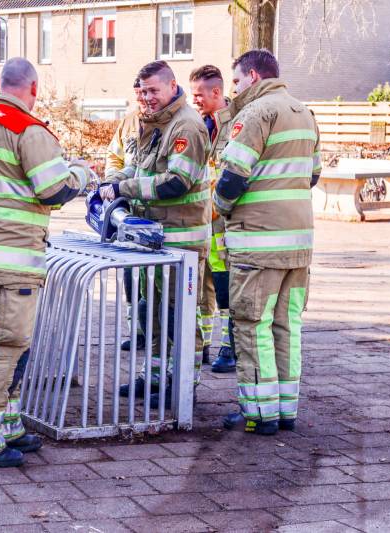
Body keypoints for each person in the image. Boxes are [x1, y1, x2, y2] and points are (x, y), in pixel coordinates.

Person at [0, 57, 88, 468]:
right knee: (4, 347)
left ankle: (6, 424)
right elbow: (53, 190)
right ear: (34, 89)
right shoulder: (29, 130)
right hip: (11, 261)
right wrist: (79, 173)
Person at [215, 49, 321, 436]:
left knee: (251, 325)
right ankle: (285, 411)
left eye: (238, 81)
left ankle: (258, 413)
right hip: (298, 246)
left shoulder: (255, 114)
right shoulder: (305, 113)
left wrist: (220, 209)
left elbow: (232, 179)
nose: (235, 89)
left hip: (258, 244)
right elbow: (312, 176)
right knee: (286, 326)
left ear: (255, 77)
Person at [102, 60, 210, 409]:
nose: (146, 97)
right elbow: (140, 166)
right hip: (155, 239)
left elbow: (178, 181)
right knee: (155, 314)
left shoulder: (187, 126)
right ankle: (154, 376)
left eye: (153, 90)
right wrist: (113, 183)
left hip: (182, 242)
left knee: (180, 318)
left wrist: (125, 186)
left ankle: (183, 387)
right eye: (143, 91)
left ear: (172, 86)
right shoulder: (154, 122)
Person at [189, 65, 238, 373]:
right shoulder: (199, 125)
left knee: (227, 287)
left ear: (216, 93)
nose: (195, 101)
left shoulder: (238, 123)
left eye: (199, 95)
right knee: (203, 286)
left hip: (227, 224)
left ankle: (229, 348)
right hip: (203, 221)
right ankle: (204, 344)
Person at [105, 78, 149, 352]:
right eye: (138, 94)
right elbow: (114, 157)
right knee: (130, 275)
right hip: (127, 206)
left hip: (150, 205)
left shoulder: (168, 123)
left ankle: (150, 329)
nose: (142, 99)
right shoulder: (128, 123)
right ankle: (137, 331)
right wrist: (113, 184)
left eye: (146, 93)